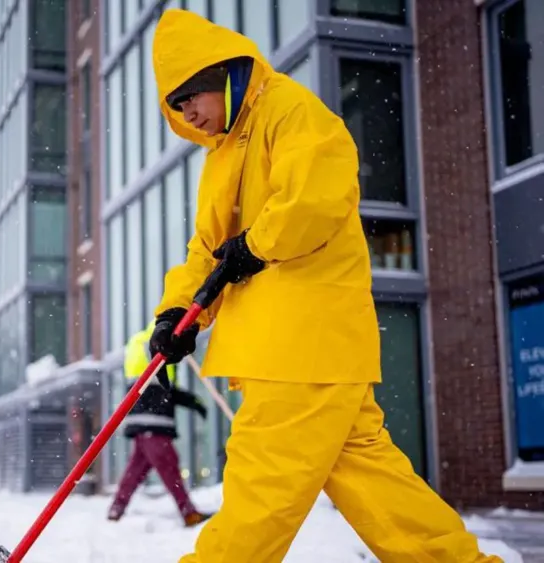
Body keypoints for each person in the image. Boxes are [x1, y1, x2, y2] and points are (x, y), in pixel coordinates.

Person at [147, 9, 500, 563]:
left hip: (297, 345)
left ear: (222, 74)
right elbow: (208, 252)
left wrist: (256, 244)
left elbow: (316, 198)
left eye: (190, 95)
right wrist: (177, 315)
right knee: (375, 484)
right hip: (309, 352)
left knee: (259, 494)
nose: (187, 111)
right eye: (175, 104)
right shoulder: (222, 156)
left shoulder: (289, 112)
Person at [108, 320, 214, 527]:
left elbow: (163, 390)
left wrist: (193, 402)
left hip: (142, 421)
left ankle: (116, 508)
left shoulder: (139, 341)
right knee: (169, 466)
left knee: (136, 470)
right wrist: (193, 401)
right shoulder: (156, 342)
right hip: (154, 421)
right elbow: (165, 391)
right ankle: (188, 512)